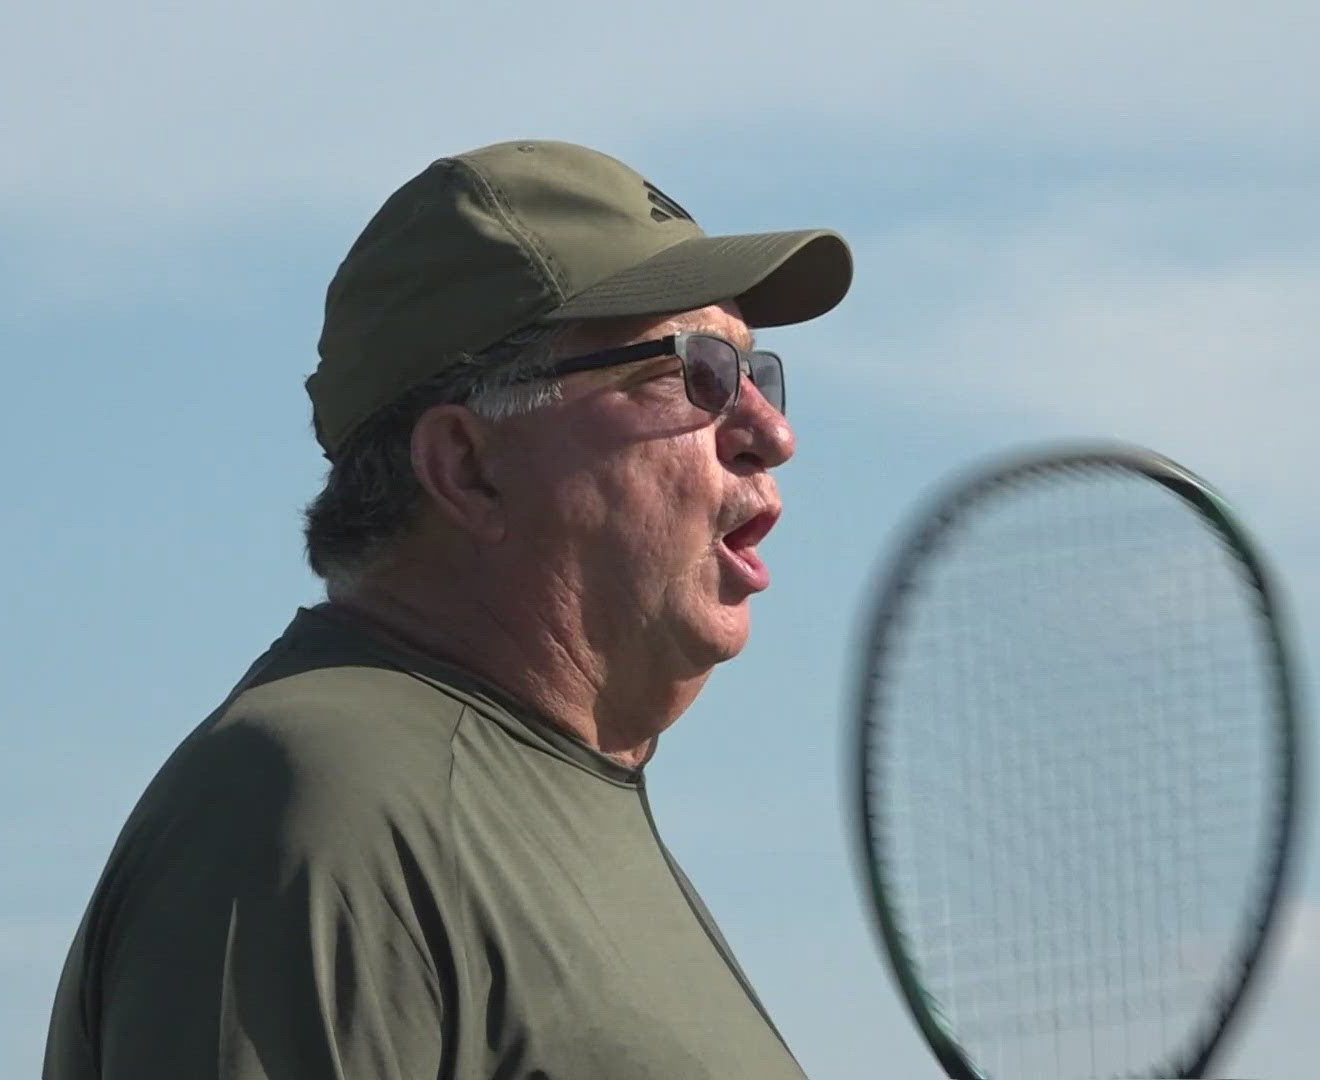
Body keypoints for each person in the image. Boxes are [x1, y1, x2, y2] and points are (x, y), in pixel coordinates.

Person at [42, 139, 854, 1079]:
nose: (771, 433)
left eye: (760, 376)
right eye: (699, 372)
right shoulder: (326, 801)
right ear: (469, 467)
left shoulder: (535, 795)